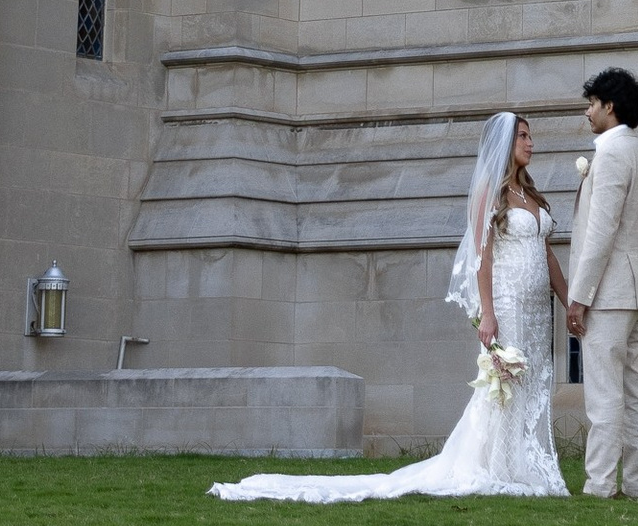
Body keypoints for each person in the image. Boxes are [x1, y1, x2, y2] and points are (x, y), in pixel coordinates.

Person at [211, 107, 569, 502]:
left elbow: (547, 254)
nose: (530, 143)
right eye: (523, 136)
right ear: (504, 144)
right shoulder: (491, 192)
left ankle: (524, 465)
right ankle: (499, 468)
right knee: (504, 387)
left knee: (530, 387)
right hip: (507, 301)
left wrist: (569, 301)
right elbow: (481, 256)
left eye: (530, 136)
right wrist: (488, 311)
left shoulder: (531, 194)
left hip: (537, 310)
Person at [565, 67, 638, 500]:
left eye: (592, 103)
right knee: (635, 390)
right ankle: (637, 484)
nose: (587, 112)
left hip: (611, 291)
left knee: (604, 393)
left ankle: (600, 484)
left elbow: (601, 232)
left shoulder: (614, 154)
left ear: (609, 106)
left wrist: (578, 296)